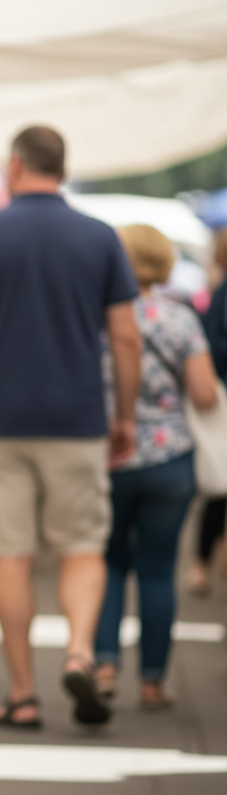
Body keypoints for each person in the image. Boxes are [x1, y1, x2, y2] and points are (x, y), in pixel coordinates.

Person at [0, 125, 142, 729]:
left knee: (8, 555)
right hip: (78, 421)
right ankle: (78, 652)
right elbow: (125, 336)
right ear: (61, 168)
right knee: (83, 546)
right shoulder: (100, 238)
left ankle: (22, 694)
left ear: (15, 166)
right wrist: (123, 416)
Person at [94, 226, 219, 708]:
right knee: (158, 569)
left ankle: (103, 664)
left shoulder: (94, 318)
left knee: (105, 564)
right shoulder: (180, 319)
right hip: (169, 460)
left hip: (105, 457)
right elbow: (206, 395)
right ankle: (151, 681)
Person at [188, 228, 227, 595]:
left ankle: (202, 564)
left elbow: (208, 354)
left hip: (222, 405)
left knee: (219, 491)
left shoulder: (218, 298)